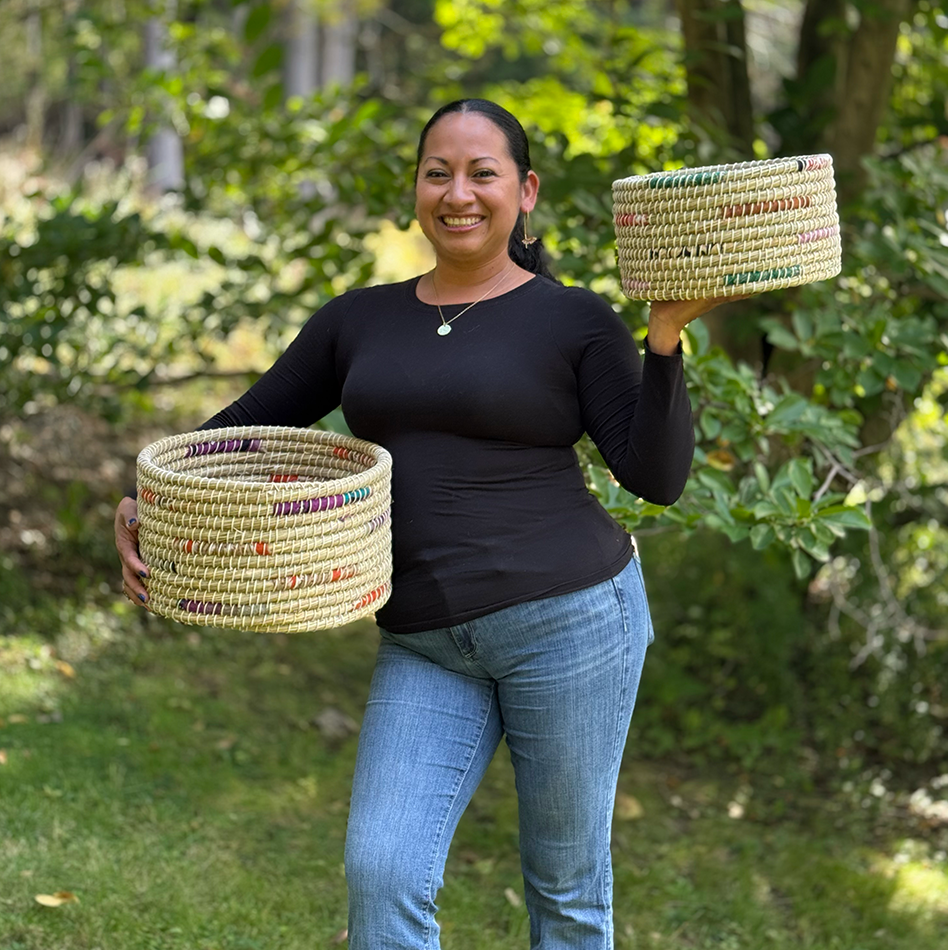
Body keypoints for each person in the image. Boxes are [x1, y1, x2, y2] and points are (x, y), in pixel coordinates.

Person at [115, 98, 733, 949]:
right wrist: (145, 499)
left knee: (565, 886)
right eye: (438, 171)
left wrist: (664, 334)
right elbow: (238, 433)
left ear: (526, 191)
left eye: (483, 173)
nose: (459, 193)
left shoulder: (574, 318)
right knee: (383, 870)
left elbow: (656, 477)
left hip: (573, 622)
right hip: (424, 637)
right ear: (416, 188)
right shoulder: (359, 319)